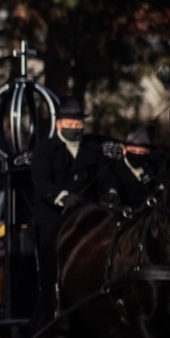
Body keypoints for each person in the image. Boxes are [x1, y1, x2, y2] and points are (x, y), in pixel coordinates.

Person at [30, 96, 110, 308]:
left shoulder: (92, 149)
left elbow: (105, 178)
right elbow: (41, 182)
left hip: (87, 210)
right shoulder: (45, 150)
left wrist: (111, 192)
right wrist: (63, 196)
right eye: (70, 124)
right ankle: (49, 295)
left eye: (78, 124)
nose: (75, 128)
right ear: (59, 125)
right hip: (53, 213)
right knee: (51, 243)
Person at [103, 126, 161, 211]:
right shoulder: (112, 170)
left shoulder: (156, 171)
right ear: (124, 150)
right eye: (133, 151)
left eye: (142, 152)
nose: (137, 155)